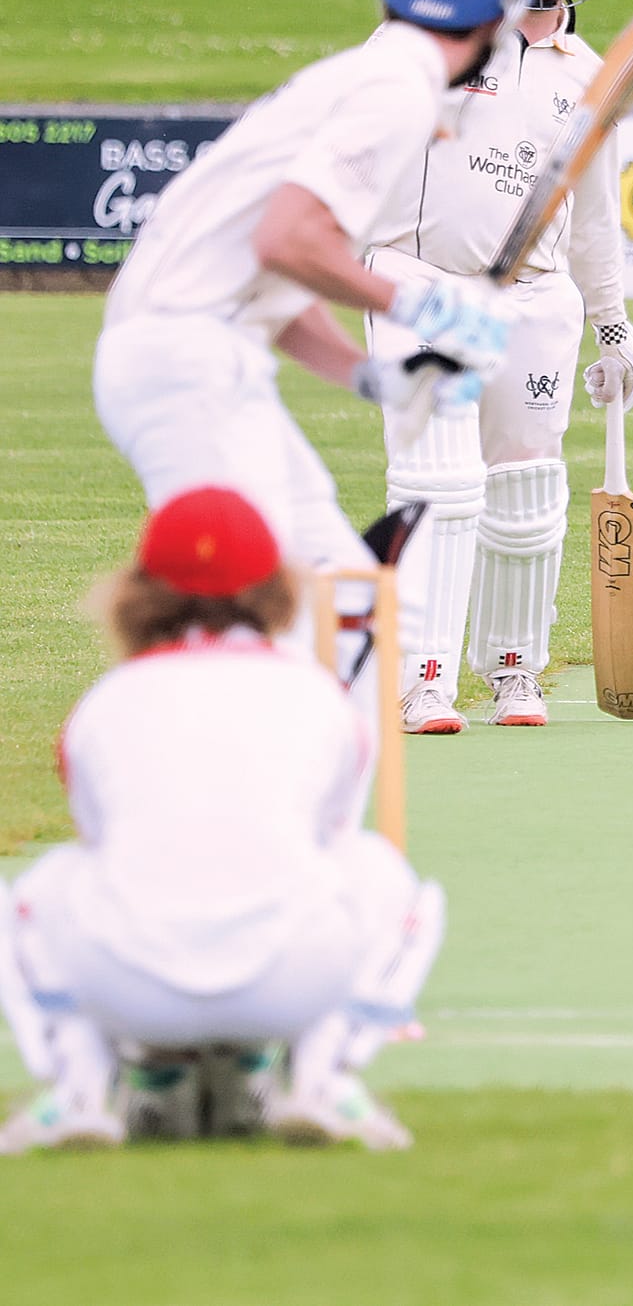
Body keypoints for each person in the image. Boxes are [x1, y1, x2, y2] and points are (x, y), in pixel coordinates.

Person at [93, 0, 529, 682]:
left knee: (345, 593)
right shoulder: (398, 90)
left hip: (204, 354)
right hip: (182, 361)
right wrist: (416, 307)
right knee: (249, 604)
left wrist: (374, 376)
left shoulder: (364, 75)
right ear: (494, 21)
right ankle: (192, 754)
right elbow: (288, 241)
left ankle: (331, 765)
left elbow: (278, 270)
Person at [0, 487, 445, 1153]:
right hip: (290, 982)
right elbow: (327, 837)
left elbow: (102, 841)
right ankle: (322, 1078)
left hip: (129, 987)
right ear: (276, 589)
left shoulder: (105, 702)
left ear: (139, 593)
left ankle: (80, 1087)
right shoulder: (317, 695)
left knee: (50, 880)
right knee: (382, 873)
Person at [368, 0, 633, 734]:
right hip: (422, 282)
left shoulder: (592, 77)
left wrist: (614, 326)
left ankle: (515, 669)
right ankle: (421, 679)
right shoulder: (436, 39)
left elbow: (595, 217)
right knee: (437, 481)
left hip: (534, 296)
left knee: (526, 490)